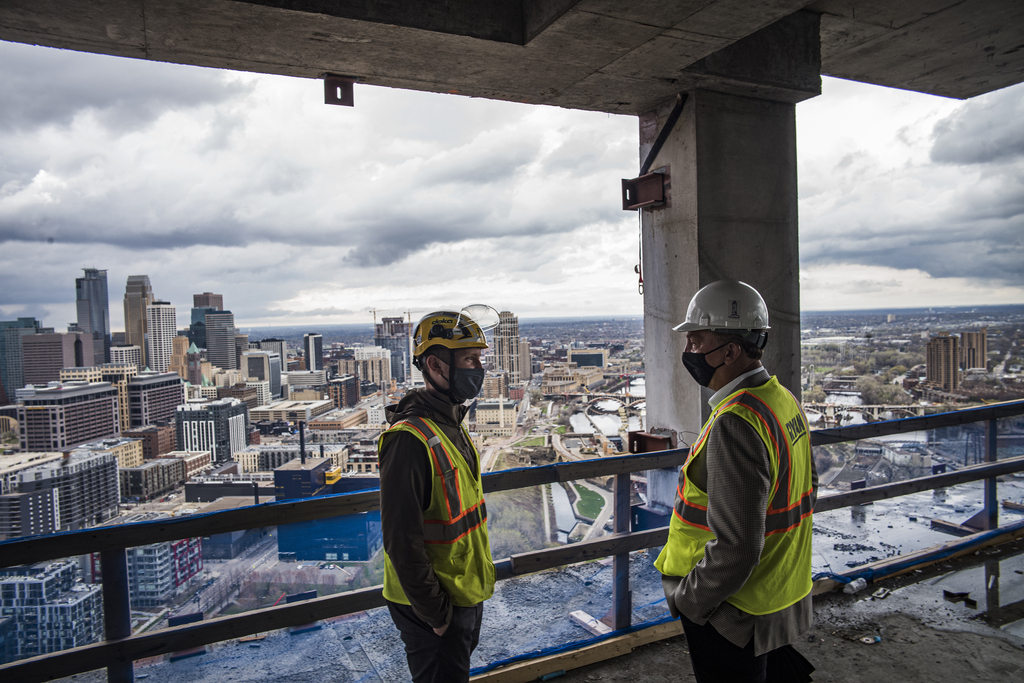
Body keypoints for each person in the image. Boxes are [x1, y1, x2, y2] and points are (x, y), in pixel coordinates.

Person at [654, 280, 817, 683]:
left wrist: (693, 601)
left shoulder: (736, 421)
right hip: (778, 586)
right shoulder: (780, 400)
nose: (688, 352)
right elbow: (806, 484)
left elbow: (738, 546)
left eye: (696, 340)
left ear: (729, 350)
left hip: (732, 607)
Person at [378, 307, 497, 683]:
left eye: (479, 358)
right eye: (469, 359)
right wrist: (438, 616)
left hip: (461, 593)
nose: (478, 368)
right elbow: (401, 539)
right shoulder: (409, 440)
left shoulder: (451, 423)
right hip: (433, 606)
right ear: (435, 364)